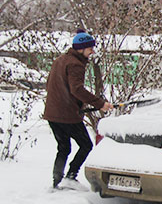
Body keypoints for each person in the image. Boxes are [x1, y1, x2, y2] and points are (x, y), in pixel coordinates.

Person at [43, 30, 113, 190]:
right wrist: (100, 103)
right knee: (86, 145)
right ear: (81, 49)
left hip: (53, 114)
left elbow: (51, 85)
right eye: (90, 48)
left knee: (63, 148)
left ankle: (57, 181)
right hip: (67, 116)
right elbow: (77, 90)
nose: (92, 51)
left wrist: (75, 105)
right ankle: (71, 176)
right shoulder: (75, 64)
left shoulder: (60, 60)